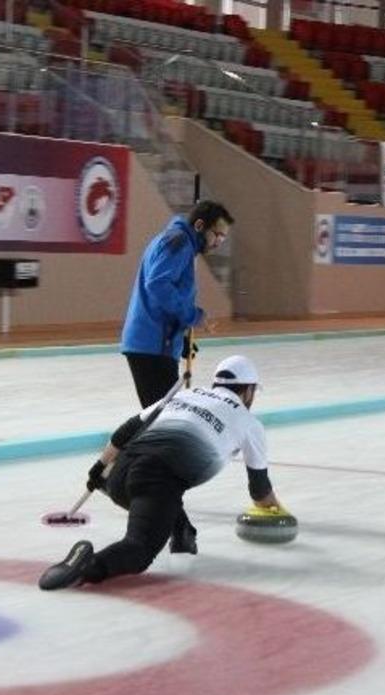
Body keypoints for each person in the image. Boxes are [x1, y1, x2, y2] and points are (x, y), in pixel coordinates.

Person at [39, 355, 283, 590]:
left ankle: (182, 533)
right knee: (139, 550)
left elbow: (127, 429)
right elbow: (260, 491)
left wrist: (99, 469)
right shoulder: (250, 423)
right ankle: (87, 566)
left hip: (119, 477)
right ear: (249, 390)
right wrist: (278, 512)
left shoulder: (186, 393)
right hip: (154, 480)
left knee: (165, 498)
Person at [121, 200, 233, 408]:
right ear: (199, 226)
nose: (218, 242)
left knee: (162, 417)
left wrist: (179, 338)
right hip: (152, 347)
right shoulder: (179, 242)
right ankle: (122, 442)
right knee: (162, 421)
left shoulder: (178, 242)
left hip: (156, 344)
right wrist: (193, 316)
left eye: (223, 237)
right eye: (217, 235)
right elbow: (158, 285)